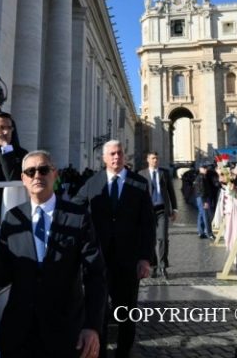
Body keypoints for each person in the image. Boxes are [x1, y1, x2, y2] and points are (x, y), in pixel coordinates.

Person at [0, 150, 106, 358]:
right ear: (23, 179)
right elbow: (3, 276)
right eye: (30, 172)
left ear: (54, 174)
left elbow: (95, 275)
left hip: (64, 333)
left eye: (43, 170)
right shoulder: (13, 218)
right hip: (20, 335)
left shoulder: (78, 217)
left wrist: (92, 326)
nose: (37, 176)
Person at [72, 140, 155, 358]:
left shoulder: (139, 183)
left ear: (124, 156)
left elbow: (148, 224)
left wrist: (145, 258)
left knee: (126, 310)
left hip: (129, 259)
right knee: (98, 307)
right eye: (112, 154)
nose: (116, 157)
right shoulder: (93, 183)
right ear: (104, 158)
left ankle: (124, 352)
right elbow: (74, 208)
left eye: (119, 153)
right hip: (98, 258)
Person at [138, 151, 178, 278]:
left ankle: (163, 266)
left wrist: (174, 209)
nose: (155, 160)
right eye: (153, 158)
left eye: (156, 158)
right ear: (148, 160)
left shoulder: (164, 173)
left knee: (163, 238)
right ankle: (154, 265)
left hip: (162, 210)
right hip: (148, 211)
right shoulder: (141, 174)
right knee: (150, 239)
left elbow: (171, 191)